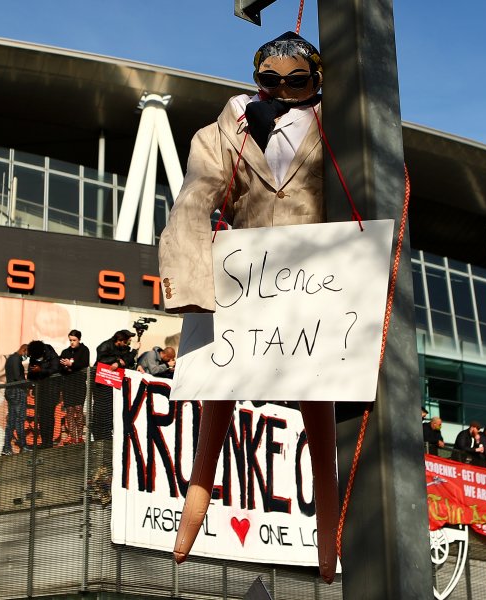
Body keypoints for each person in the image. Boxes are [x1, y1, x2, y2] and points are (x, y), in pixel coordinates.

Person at [157, 32, 339, 582]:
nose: (283, 90)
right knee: (219, 394)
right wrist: (192, 285)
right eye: (270, 81)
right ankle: (194, 505)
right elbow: (195, 196)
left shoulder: (340, 123)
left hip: (314, 276)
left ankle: (328, 542)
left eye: (297, 81)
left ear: (316, 80)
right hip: (248, 273)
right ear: (256, 79)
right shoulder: (222, 132)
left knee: (320, 413)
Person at [92, 330, 139, 441]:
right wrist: (117, 360)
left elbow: (127, 361)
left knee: (111, 409)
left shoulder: (124, 349)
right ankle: (98, 435)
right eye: (127, 341)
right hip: (101, 383)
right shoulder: (105, 346)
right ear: (120, 341)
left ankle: (107, 435)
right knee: (100, 409)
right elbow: (101, 359)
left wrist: (134, 351)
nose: (128, 343)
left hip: (113, 383)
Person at [26, 340, 61, 449]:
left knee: (49, 416)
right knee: (41, 417)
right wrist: (34, 372)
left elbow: (55, 368)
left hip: (51, 389)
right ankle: (44, 441)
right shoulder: (33, 358)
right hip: (40, 390)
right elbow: (30, 375)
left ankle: (48, 442)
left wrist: (41, 370)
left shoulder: (51, 354)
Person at [59, 331, 90, 445]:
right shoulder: (65, 352)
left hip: (79, 383)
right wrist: (66, 367)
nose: (72, 342)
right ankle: (73, 437)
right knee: (69, 411)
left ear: (79, 340)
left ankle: (80, 436)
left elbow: (84, 363)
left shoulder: (84, 350)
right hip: (68, 384)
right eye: (70, 340)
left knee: (78, 408)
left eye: (74, 340)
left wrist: (71, 365)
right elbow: (60, 367)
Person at [2, 345, 29, 455]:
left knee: (12, 421)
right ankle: (23, 445)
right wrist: (29, 384)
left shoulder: (10, 359)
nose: (27, 357)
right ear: (24, 350)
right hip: (17, 392)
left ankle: (6, 447)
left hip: (10, 391)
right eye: (28, 354)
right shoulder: (16, 359)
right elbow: (18, 377)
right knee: (20, 419)